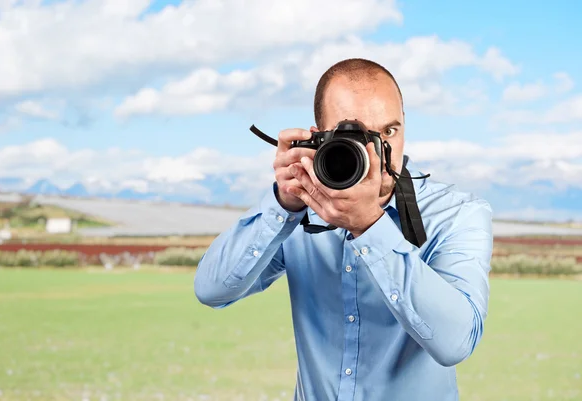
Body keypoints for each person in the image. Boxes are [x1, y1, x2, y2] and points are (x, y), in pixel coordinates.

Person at [194, 58, 493, 401]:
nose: (378, 152)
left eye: (389, 132)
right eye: (357, 135)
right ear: (319, 137)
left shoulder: (457, 214)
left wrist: (370, 226)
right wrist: (283, 205)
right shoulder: (301, 207)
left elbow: (455, 342)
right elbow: (211, 290)